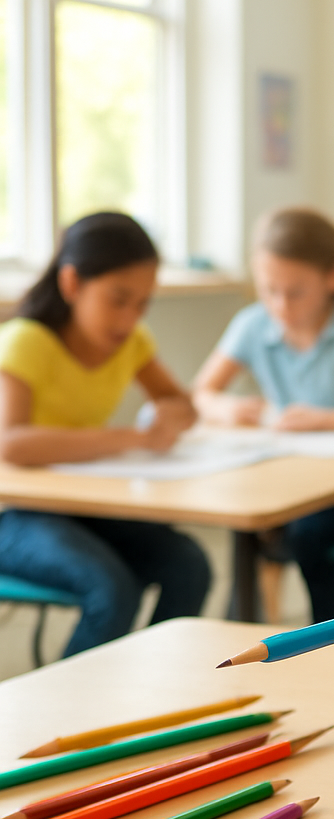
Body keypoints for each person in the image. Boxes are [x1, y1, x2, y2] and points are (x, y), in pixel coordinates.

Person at [194, 207, 334, 622]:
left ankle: (325, 634)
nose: (280, 304)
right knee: (247, 520)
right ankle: (243, 628)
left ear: (333, 277)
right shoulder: (252, 325)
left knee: (306, 532)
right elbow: (200, 393)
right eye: (269, 290)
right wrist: (225, 406)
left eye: (295, 291)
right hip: (288, 481)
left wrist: (326, 420)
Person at [0, 212, 211, 657]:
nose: (130, 317)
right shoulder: (26, 341)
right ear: (72, 283)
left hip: (85, 504)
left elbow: (184, 404)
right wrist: (131, 438)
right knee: (111, 587)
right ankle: (67, 719)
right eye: (118, 300)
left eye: (142, 304)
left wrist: (170, 415)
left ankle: (153, 695)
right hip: (17, 515)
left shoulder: (131, 342)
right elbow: (11, 443)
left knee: (189, 565)